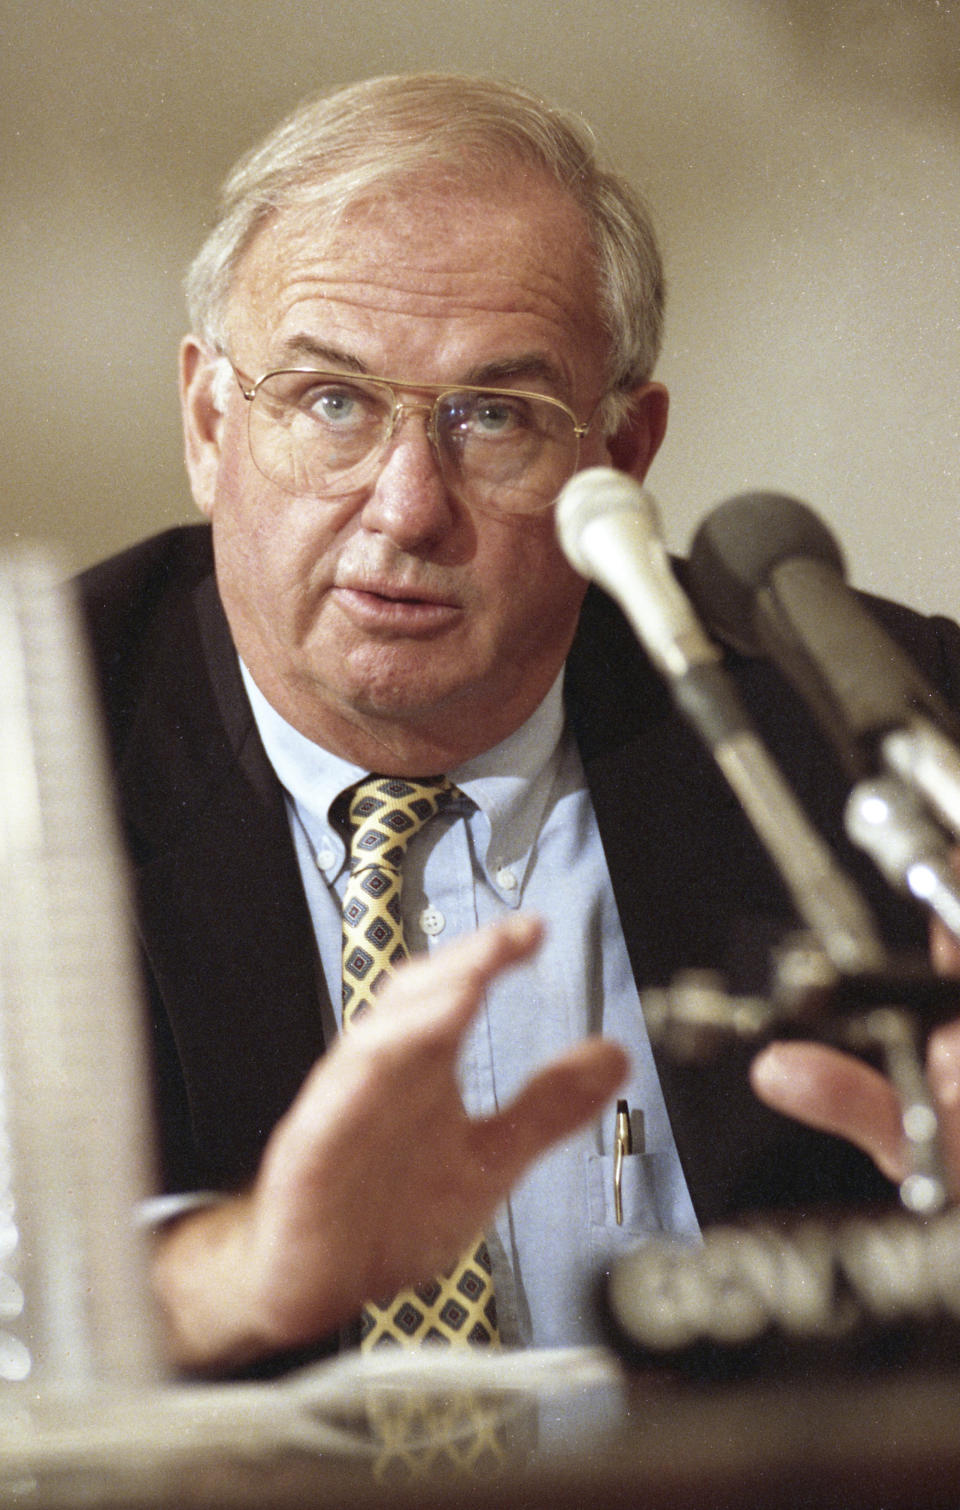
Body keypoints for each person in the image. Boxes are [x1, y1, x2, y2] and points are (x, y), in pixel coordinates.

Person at [78, 72, 960, 1377]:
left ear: (621, 457)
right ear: (212, 422)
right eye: (331, 400)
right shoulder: (41, 747)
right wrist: (236, 1275)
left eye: (494, 415)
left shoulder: (867, 729)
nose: (406, 507)